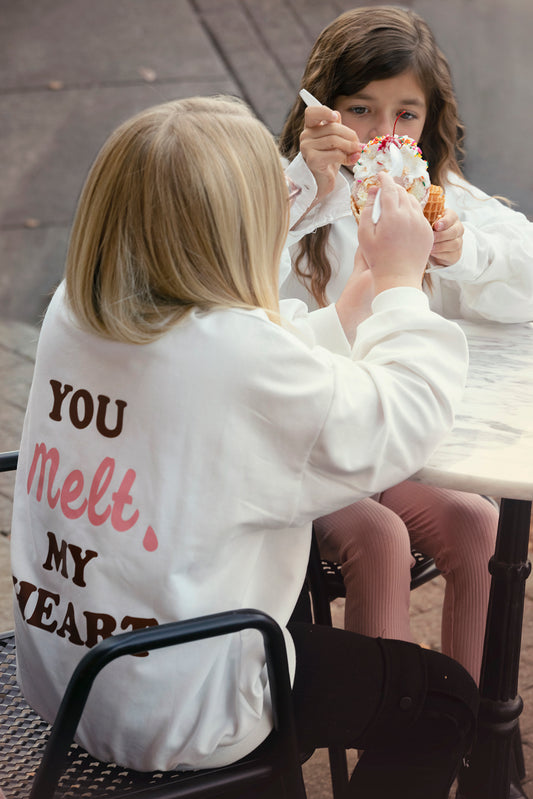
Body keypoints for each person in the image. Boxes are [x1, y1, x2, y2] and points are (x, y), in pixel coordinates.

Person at [10, 95, 477, 799]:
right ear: (239, 227)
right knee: (442, 700)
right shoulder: (237, 358)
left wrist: (353, 299)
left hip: (68, 670)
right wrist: (399, 287)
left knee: (286, 592)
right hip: (174, 705)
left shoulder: (76, 305)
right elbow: (405, 419)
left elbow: (246, 369)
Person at [279, 5, 533, 687]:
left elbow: (525, 270)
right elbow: (237, 296)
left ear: (429, 124)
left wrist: (461, 248)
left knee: (479, 526)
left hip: (388, 445)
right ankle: (392, 749)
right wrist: (305, 189)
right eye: (360, 109)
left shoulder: (432, 194)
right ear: (321, 110)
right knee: (378, 538)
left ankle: (466, 731)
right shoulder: (283, 195)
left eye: (405, 116)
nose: (382, 135)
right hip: (301, 449)